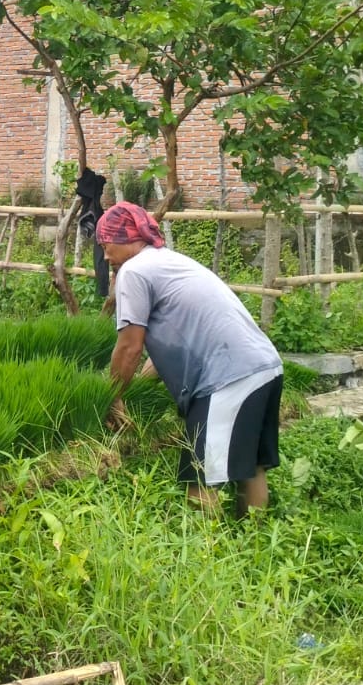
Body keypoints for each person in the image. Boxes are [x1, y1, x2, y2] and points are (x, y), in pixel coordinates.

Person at [98, 202, 283, 516]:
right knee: (251, 467)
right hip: (265, 368)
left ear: (128, 239)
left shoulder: (133, 271)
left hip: (228, 377)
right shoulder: (168, 262)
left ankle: (203, 556)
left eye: (106, 245)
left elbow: (129, 347)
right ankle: (255, 544)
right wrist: (139, 387)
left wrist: (111, 395)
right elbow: (169, 347)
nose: (104, 256)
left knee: (200, 476)